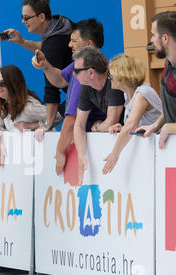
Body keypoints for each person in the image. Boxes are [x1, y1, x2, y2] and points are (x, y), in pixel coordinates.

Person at [32, 18, 106, 175]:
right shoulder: (79, 64)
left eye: (74, 41)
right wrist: (46, 66)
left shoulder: (86, 74)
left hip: (93, 145)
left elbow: (71, 121)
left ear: (89, 45)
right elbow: (60, 80)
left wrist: (60, 150)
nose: (69, 45)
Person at [4, 0, 72, 130]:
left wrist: (47, 125)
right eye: (22, 18)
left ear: (41, 17)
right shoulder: (60, 25)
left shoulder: (54, 42)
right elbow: (46, 48)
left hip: (87, 93)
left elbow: (51, 89)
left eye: (26, 18)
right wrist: (22, 42)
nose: (23, 22)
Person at [72, 46, 125, 185]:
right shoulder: (86, 88)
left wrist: (95, 128)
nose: (73, 74)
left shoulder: (114, 81)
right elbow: (79, 125)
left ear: (90, 72)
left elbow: (111, 122)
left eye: (76, 71)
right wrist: (81, 155)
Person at [102, 54, 162, 175]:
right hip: (152, 148)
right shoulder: (128, 95)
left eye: (111, 75)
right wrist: (122, 128)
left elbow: (131, 125)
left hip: (161, 147)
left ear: (122, 76)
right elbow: (133, 126)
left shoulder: (142, 92)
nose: (109, 79)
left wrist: (115, 153)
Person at [0, 65, 62, 167]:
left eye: (3, 83)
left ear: (14, 85)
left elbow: (57, 116)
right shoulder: (0, 103)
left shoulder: (29, 107)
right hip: (25, 161)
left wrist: (33, 125)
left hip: (44, 157)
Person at [135, 11, 176, 149]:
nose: (151, 40)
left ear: (165, 38)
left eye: (153, 35)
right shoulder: (168, 63)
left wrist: (169, 128)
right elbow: (171, 105)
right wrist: (156, 125)